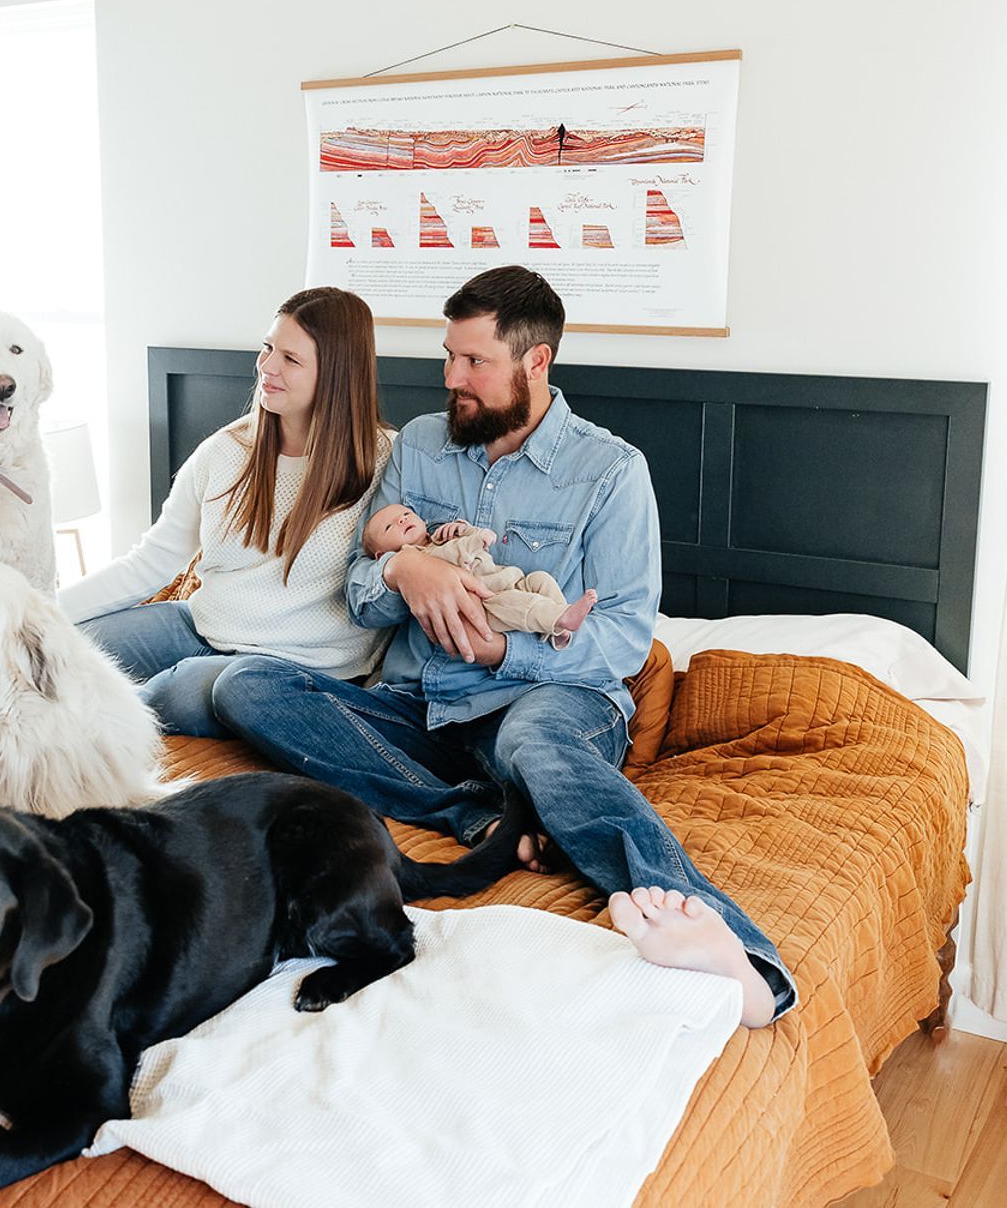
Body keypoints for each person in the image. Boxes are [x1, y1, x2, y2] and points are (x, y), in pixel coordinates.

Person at [209, 266, 795, 1027]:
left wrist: (501, 658)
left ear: (535, 363)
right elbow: (359, 591)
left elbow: (621, 636)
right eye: (449, 355)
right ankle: (478, 816)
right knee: (245, 687)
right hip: (418, 708)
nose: (452, 377)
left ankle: (740, 958)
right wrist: (404, 566)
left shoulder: (611, 472)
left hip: (544, 701)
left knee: (537, 744)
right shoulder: (420, 446)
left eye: (474, 362)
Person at [61, 286, 393, 737]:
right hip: (197, 627)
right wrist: (40, 611)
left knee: (169, 694)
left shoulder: (388, 463)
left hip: (286, 673)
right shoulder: (225, 450)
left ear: (336, 373)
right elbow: (150, 561)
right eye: (268, 347)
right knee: (57, 651)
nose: (267, 367)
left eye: (291, 359)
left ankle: (81, 729)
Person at [360, 503, 597, 649]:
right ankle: (561, 618)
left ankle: (559, 629)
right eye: (390, 527)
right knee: (518, 604)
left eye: (406, 513)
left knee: (540, 579)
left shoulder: (440, 537)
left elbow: (464, 542)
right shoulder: (416, 558)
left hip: (506, 579)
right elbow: (451, 557)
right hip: (486, 602)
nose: (402, 520)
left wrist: (464, 529)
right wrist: (475, 539)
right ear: (382, 555)